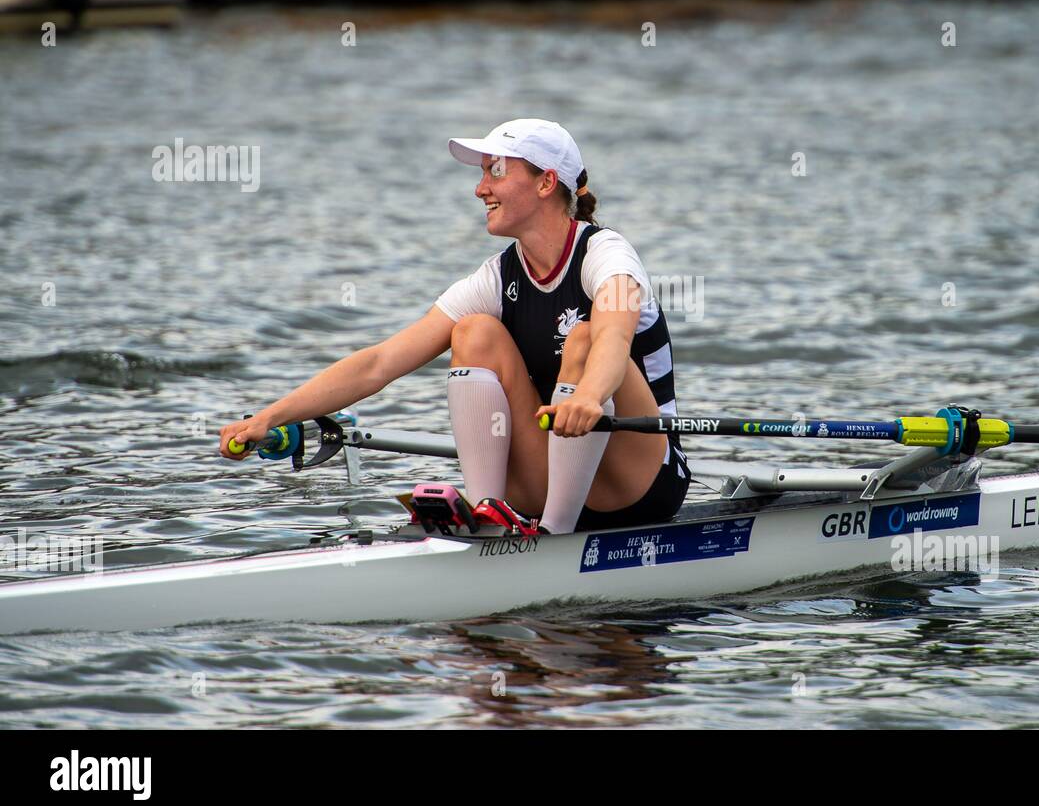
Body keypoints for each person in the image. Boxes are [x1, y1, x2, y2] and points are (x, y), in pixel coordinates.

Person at [219, 118, 689, 535]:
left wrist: (588, 398)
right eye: (482, 173)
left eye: (496, 171)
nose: (480, 188)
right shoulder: (497, 277)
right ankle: (488, 512)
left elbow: (613, 336)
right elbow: (379, 364)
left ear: (547, 182)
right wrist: (271, 416)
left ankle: (554, 540)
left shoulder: (608, 255)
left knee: (585, 334)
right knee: (472, 333)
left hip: (641, 479)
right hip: (551, 472)